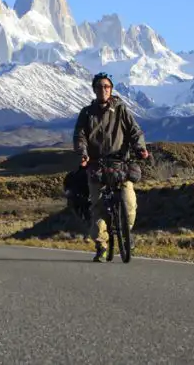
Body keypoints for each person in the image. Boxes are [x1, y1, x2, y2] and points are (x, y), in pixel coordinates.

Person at [73, 71, 149, 262]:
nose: (103, 90)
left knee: (129, 204)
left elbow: (134, 131)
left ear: (111, 89)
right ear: (94, 90)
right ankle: (102, 246)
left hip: (120, 164)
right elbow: (79, 136)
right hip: (96, 165)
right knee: (98, 207)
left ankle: (126, 232)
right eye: (99, 87)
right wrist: (83, 154)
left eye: (106, 87)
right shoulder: (87, 113)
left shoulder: (121, 110)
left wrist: (140, 149)